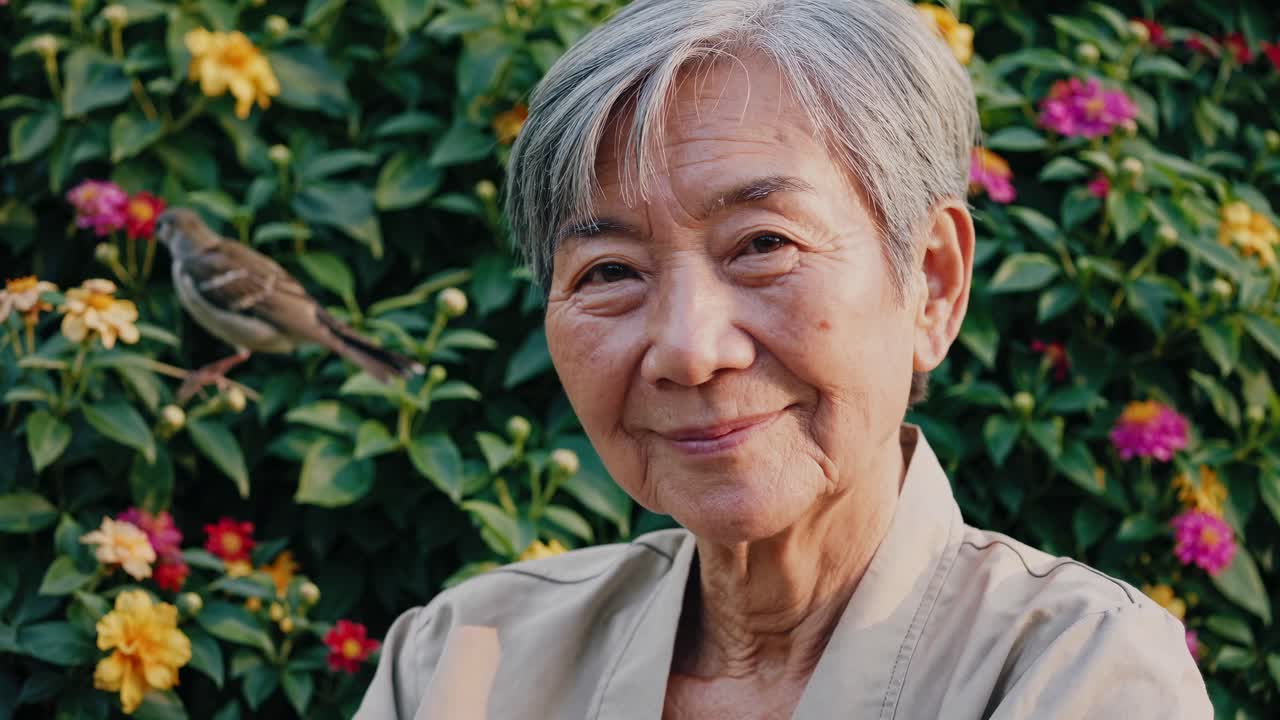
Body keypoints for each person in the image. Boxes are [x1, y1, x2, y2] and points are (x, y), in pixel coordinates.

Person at [357, 0, 1211, 717]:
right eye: (610, 271)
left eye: (764, 244)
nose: (689, 351)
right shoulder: (458, 666)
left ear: (933, 282)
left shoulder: (1075, 672)